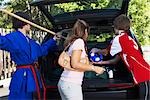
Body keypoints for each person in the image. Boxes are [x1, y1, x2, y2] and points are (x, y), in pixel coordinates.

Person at [0, 11, 58, 100]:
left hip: (33, 74)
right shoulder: (13, 37)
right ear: (25, 23)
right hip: (21, 76)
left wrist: (53, 39)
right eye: (29, 22)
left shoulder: (30, 41)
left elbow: (41, 50)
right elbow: (1, 41)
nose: (30, 25)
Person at [91, 14, 150, 100]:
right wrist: (99, 63)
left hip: (143, 75)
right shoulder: (127, 38)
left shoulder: (119, 39)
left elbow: (106, 52)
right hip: (144, 73)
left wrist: (96, 50)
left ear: (116, 26)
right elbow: (115, 60)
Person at [57, 19, 105, 100]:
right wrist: (94, 68)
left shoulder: (71, 42)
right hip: (71, 84)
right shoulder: (79, 42)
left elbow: (76, 61)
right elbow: (75, 64)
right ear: (85, 31)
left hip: (65, 82)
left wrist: (88, 64)